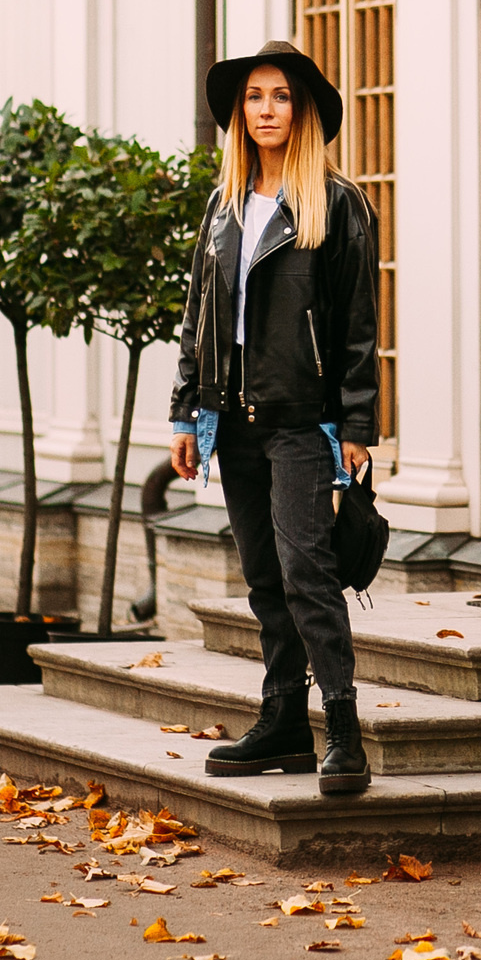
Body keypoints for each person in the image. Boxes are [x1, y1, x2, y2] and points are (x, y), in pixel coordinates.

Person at [169, 40, 379, 797]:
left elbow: (358, 326)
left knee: (305, 572)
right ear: (239, 112)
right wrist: (186, 416)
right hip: (232, 419)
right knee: (262, 575)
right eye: (254, 96)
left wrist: (357, 424)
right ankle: (284, 714)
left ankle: (344, 730)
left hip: (302, 420)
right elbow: (198, 318)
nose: (265, 109)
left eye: (281, 96)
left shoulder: (338, 205)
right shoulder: (224, 208)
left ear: (304, 110)